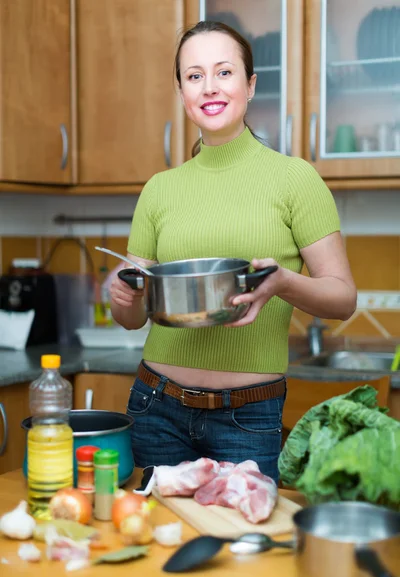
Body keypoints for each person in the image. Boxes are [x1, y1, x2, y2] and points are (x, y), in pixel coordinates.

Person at [110, 21, 357, 484]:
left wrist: (282, 281)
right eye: (195, 75)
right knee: (156, 541)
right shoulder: (159, 190)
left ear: (250, 84)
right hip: (155, 407)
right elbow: (134, 313)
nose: (209, 87)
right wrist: (121, 298)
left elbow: (343, 298)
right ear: (181, 89)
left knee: (244, 552)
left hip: (248, 418)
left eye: (224, 72)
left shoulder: (295, 180)